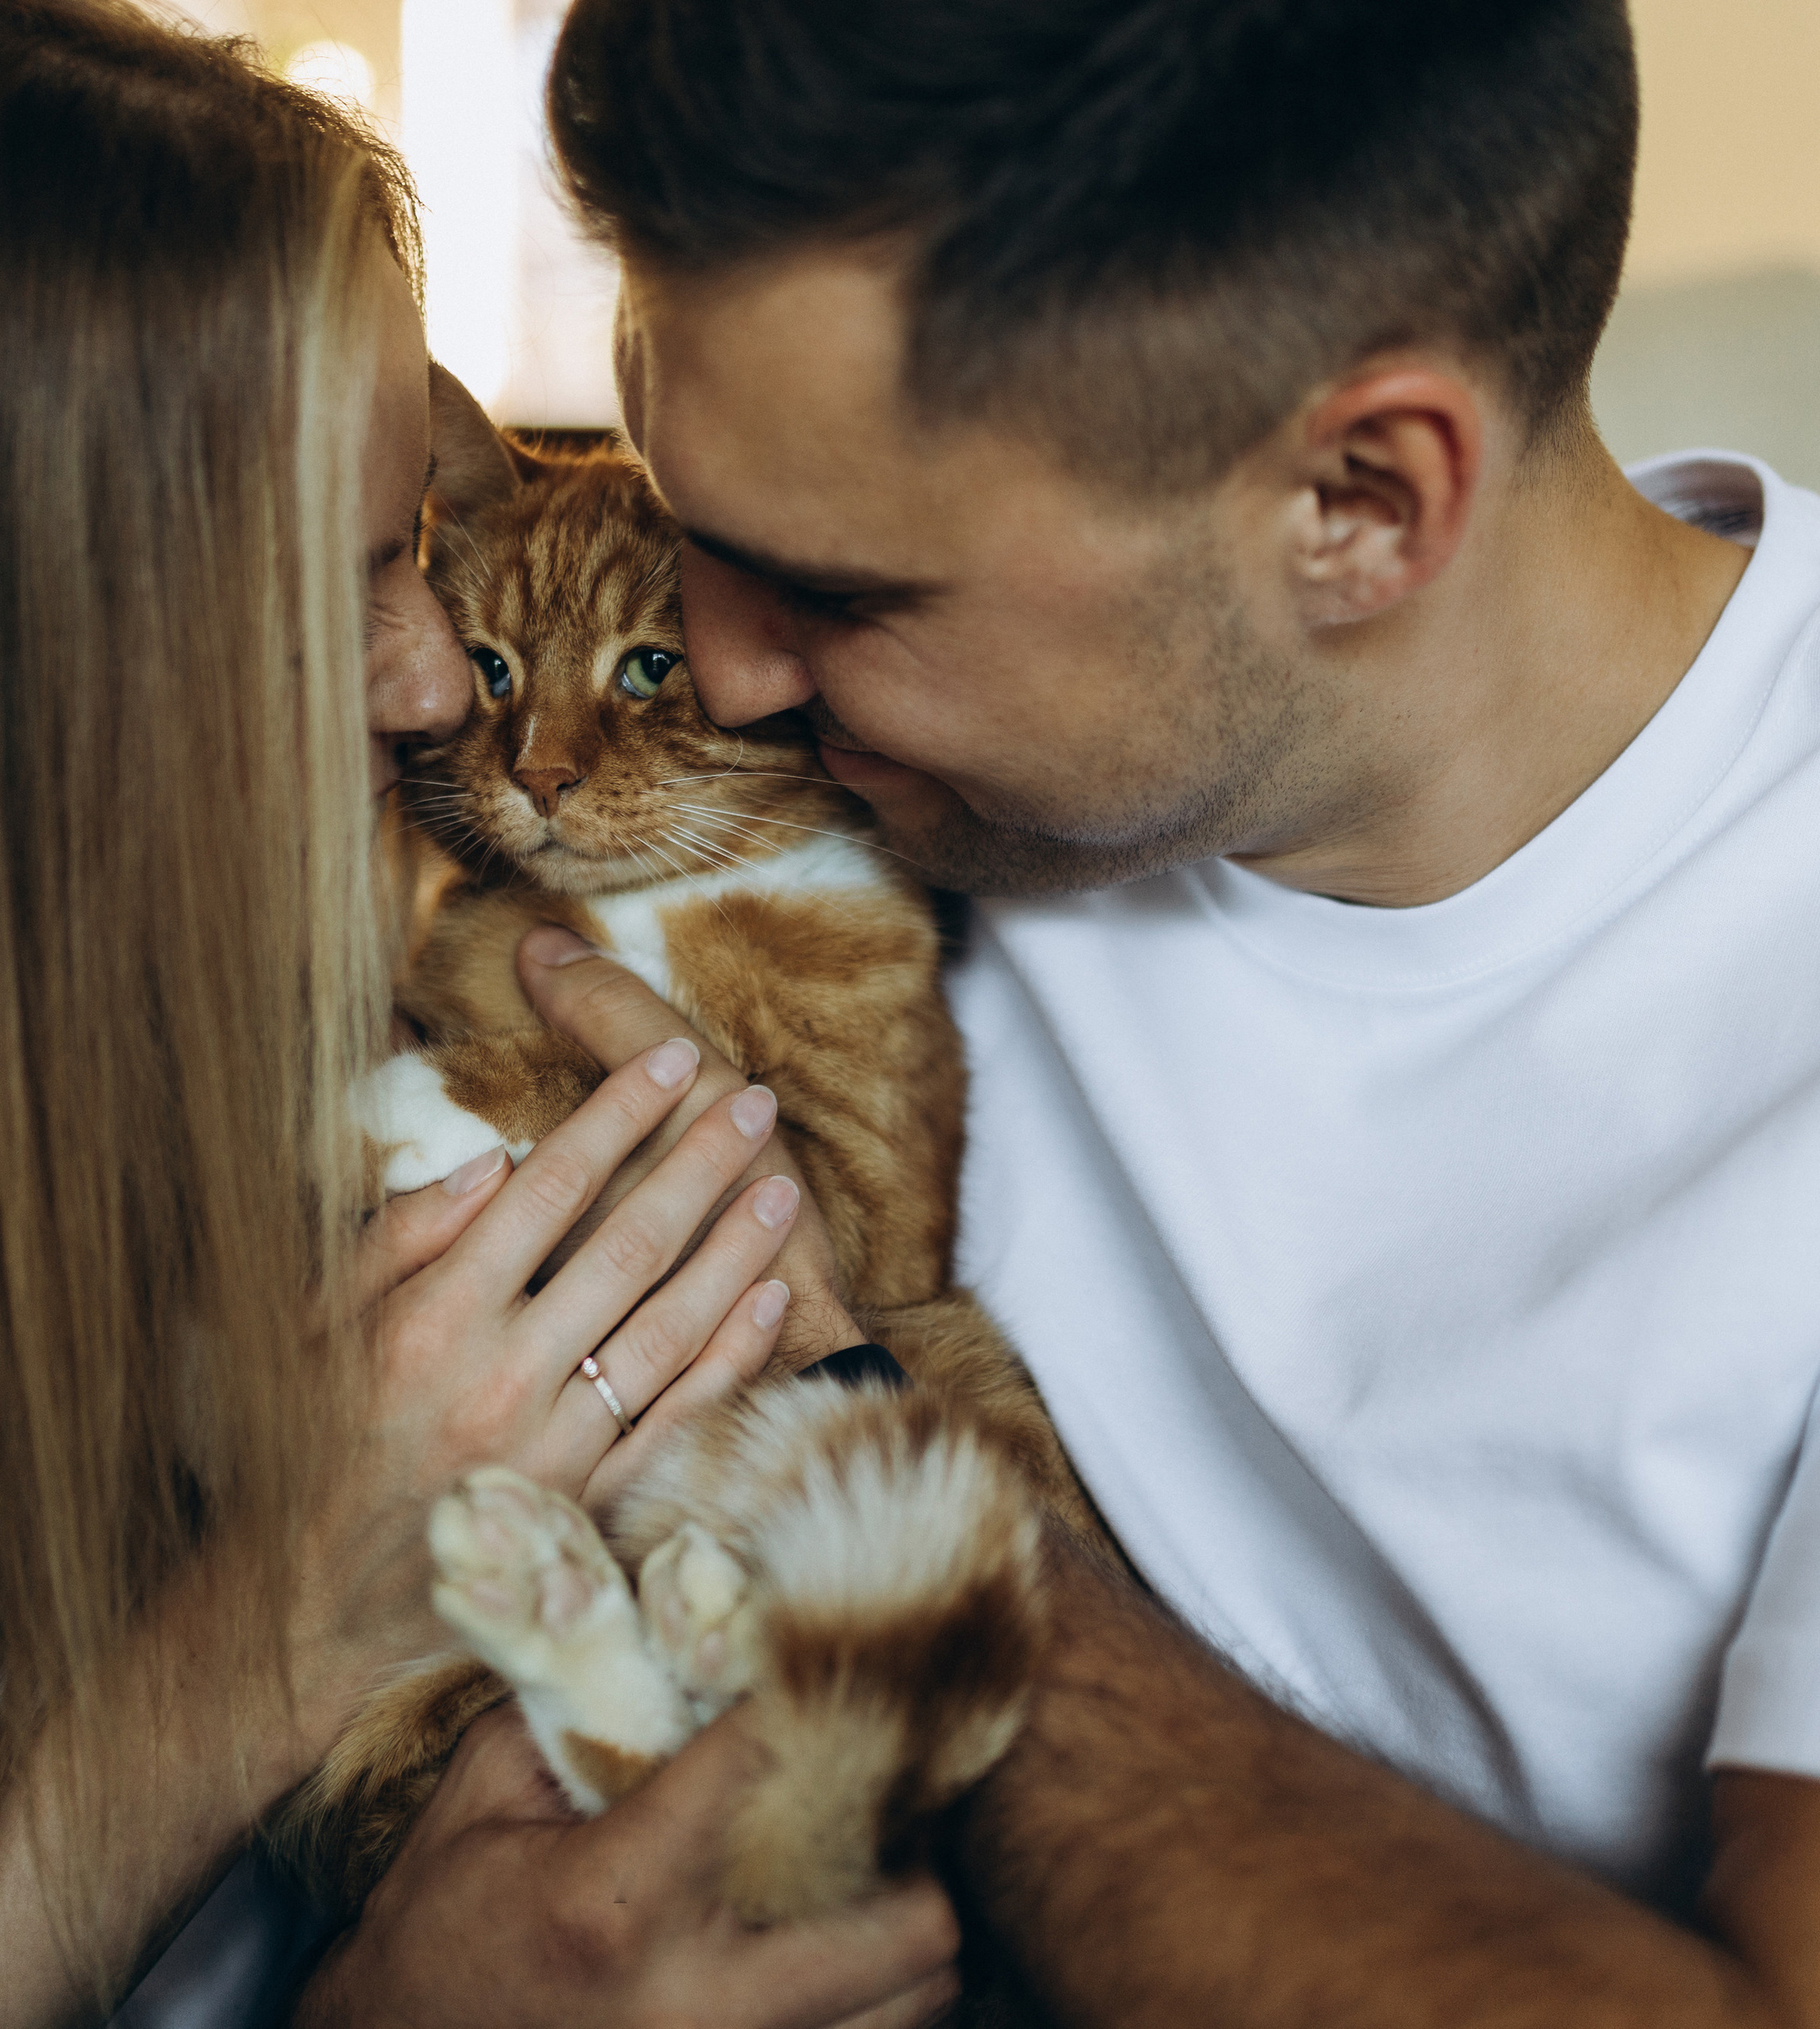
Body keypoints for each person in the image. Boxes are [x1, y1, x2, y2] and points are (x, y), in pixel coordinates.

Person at [311, 0, 1820, 2022]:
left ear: (1360, 504)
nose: (727, 677)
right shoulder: (910, 789)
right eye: (691, 532)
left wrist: (855, 1440)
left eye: (831, 589)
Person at [0, 3, 960, 2023]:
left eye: (422, 553)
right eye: (339, 584)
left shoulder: (309, 1002)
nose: (434, 690)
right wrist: (280, 1655)